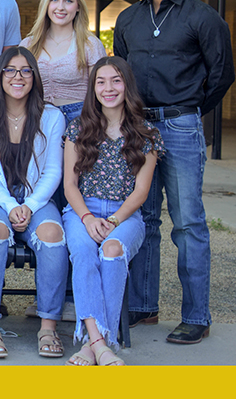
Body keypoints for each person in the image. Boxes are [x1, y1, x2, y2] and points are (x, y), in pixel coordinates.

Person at [114, 0, 234, 344]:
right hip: (139, 128)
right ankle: (144, 307)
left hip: (181, 126)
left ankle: (196, 315)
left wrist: (190, 111)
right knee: (143, 219)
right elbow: (120, 74)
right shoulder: (128, 18)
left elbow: (222, 75)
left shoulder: (204, 18)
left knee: (188, 223)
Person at [63, 56, 164, 366]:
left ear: (127, 86)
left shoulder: (146, 134)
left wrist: (114, 220)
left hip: (126, 214)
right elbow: (70, 185)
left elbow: (142, 192)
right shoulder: (78, 128)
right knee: (82, 250)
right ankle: (100, 341)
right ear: (93, 88)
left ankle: (91, 346)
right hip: (82, 211)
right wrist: (88, 218)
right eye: (101, 82)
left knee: (111, 250)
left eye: (116, 81)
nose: (109, 88)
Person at [0, 47, 67, 359]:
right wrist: (10, 206)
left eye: (26, 70)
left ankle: (48, 326)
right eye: (10, 70)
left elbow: (53, 171)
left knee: (53, 234)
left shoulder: (52, 117)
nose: (18, 77)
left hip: (37, 200)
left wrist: (32, 204)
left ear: (34, 77)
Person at [20, 0, 107, 321]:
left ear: (78, 7)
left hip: (80, 126)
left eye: (68, 0)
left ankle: (71, 299)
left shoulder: (90, 45)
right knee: (47, 208)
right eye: (55, 0)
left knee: (72, 209)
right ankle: (47, 298)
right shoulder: (29, 42)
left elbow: (101, 94)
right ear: (46, 5)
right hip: (38, 127)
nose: (61, 7)